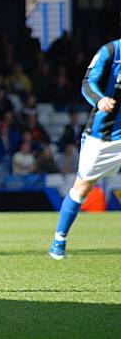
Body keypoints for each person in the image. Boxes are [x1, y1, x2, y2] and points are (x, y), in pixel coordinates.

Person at [48, 39, 120, 260]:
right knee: (82, 187)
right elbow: (87, 84)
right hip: (105, 135)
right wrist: (100, 101)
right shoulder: (111, 51)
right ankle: (59, 239)